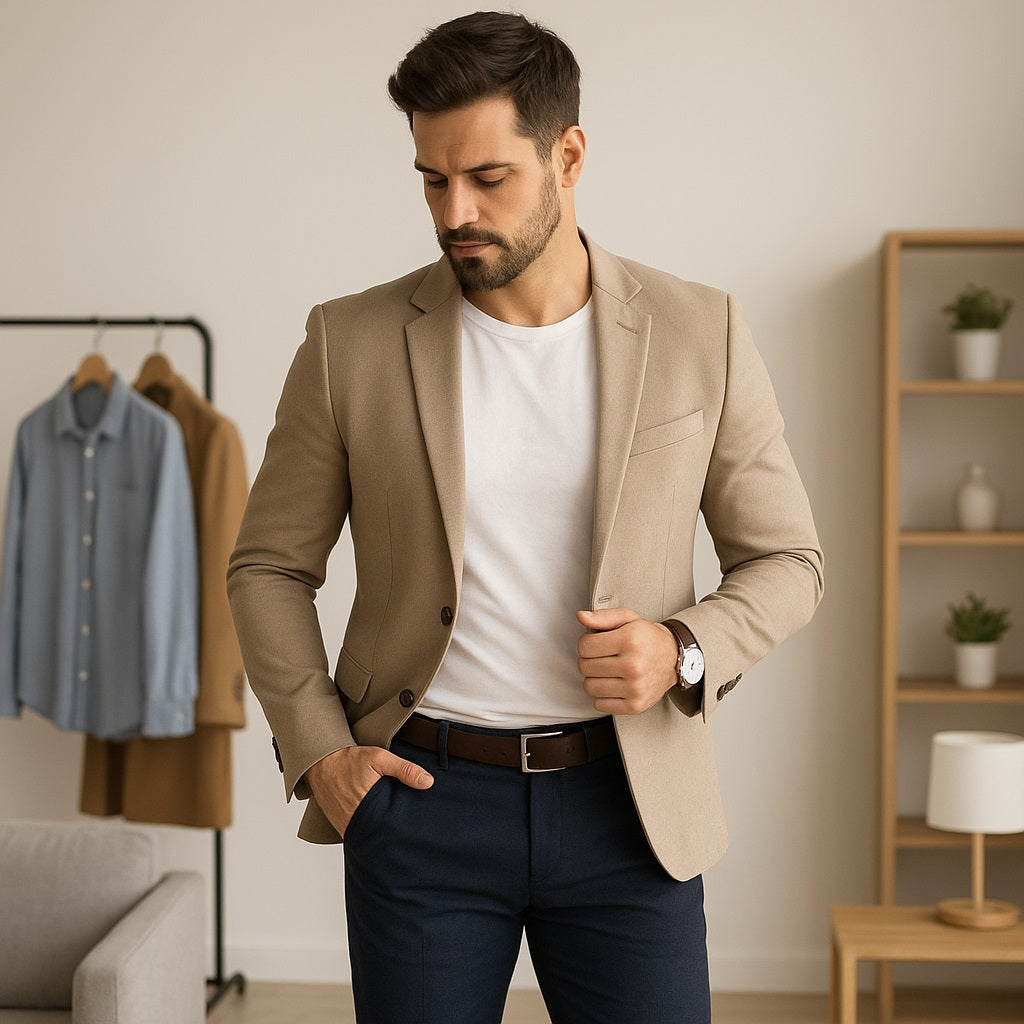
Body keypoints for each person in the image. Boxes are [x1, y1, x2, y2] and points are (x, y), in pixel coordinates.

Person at [227, 11, 823, 1024]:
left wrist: (681, 644)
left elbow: (787, 559)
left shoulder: (698, 329)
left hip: (631, 808)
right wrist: (322, 751)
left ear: (569, 154)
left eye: (487, 178)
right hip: (422, 800)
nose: (453, 210)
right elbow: (268, 566)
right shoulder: (349, 342)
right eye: (430, 178)